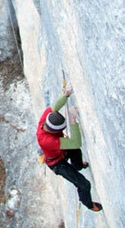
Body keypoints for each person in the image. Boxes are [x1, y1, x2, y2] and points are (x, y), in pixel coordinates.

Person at [36, 83, 102, 212]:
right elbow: (75, 142)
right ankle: (88, 204)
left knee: (75, 151)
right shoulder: (49, 141)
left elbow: (55, 107)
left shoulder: (46, 119)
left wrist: (65, 94)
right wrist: (72, 119)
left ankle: (78, 165)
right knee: (84, 184)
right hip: (57, 164)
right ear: (55, 131)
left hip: (58, 153)